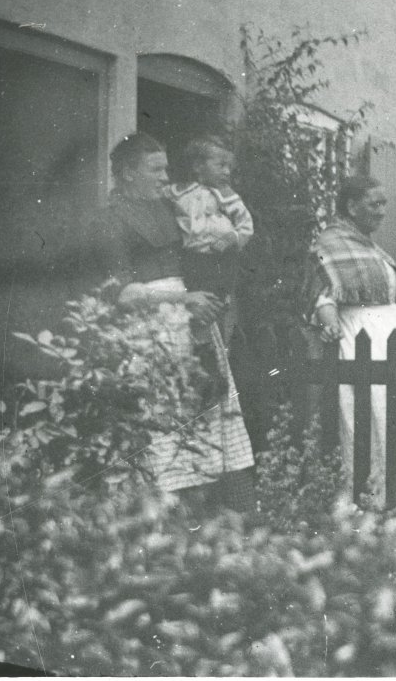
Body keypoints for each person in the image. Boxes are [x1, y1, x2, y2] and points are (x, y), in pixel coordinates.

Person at [102, 132, 256, 512]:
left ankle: (210, 516)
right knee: (166, 425)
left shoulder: (168, 208)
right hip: (152, 329)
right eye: (155, 169)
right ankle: (169, 517)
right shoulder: (112, 219)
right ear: (126, 173)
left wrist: (209, 293)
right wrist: (184, 299)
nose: (164, 176)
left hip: (193, 320)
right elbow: (122, 294)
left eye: (166, 168)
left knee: (210, 417)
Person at [301, 175, 396, 507]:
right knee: (367, 419)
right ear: (351, 206)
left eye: (384, 204)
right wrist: (330, 323)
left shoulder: (369, 246)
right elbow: (321, 293)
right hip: (358, 337)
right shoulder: (328, 244)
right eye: (374, 204)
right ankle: (368, 501)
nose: (382, 212)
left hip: (393, 340)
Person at [167, 135, 253, 344]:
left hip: (216, 258)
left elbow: (246, 224)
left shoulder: (225, 195)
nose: (227, 172)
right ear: (198, 166)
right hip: (188, 257)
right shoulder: (176, 192)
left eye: (229, 167)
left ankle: (213, 344)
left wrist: (232, 238)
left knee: (215, 304)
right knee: (191, 304)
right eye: (221, 165)